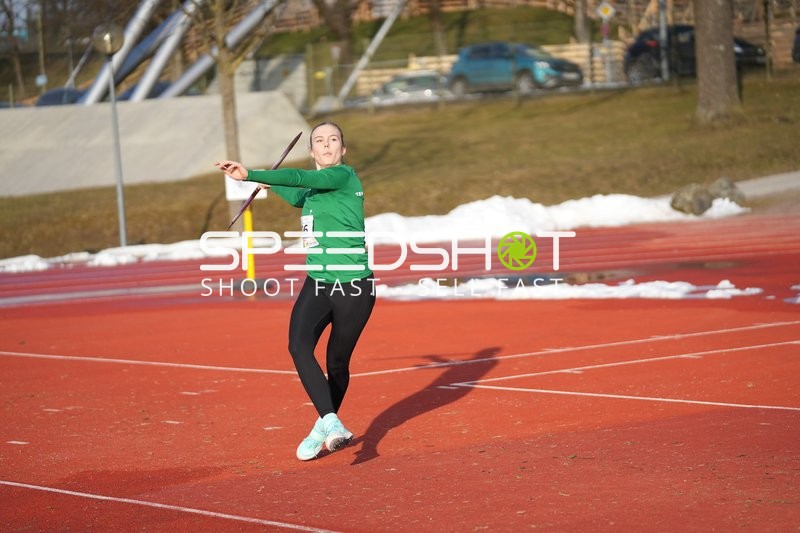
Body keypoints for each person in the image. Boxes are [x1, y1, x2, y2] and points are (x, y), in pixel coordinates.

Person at [214, 122, 375, 461]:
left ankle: (322, 427)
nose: (327, 145)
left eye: (333, 140)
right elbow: (295, 193)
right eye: (320, 141)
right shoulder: (314, 192)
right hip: (318, 281)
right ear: (312, 150)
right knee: (298, 346)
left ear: (342, 150)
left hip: (353, 286)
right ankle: (332, 422)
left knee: (337, 362)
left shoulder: (343, 177)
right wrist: (257, 181)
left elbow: (301, 179)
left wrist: (251, 174)